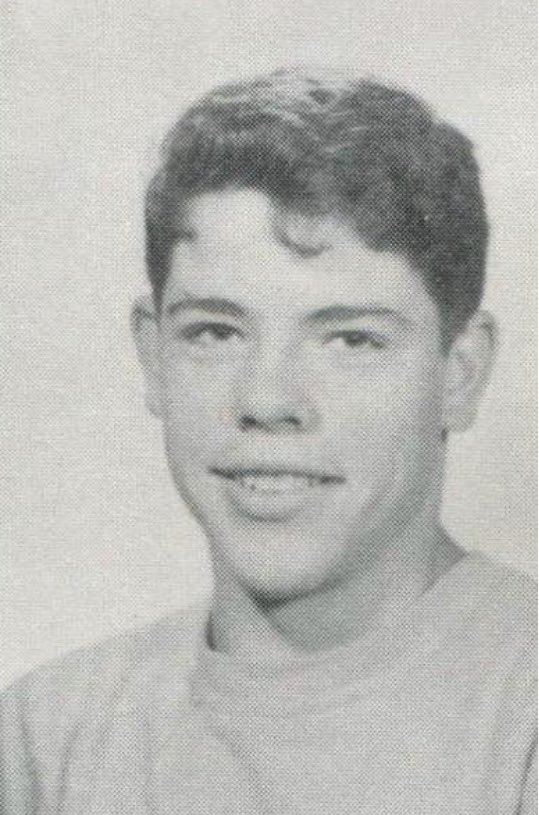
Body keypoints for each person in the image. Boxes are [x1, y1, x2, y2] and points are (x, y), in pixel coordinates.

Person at [0, 66, 535, 814]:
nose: (267, 401)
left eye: (350, 340)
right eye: (215, 332)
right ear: (153, 356)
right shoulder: (44, 742)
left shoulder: (519, 716)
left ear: (459, 373)